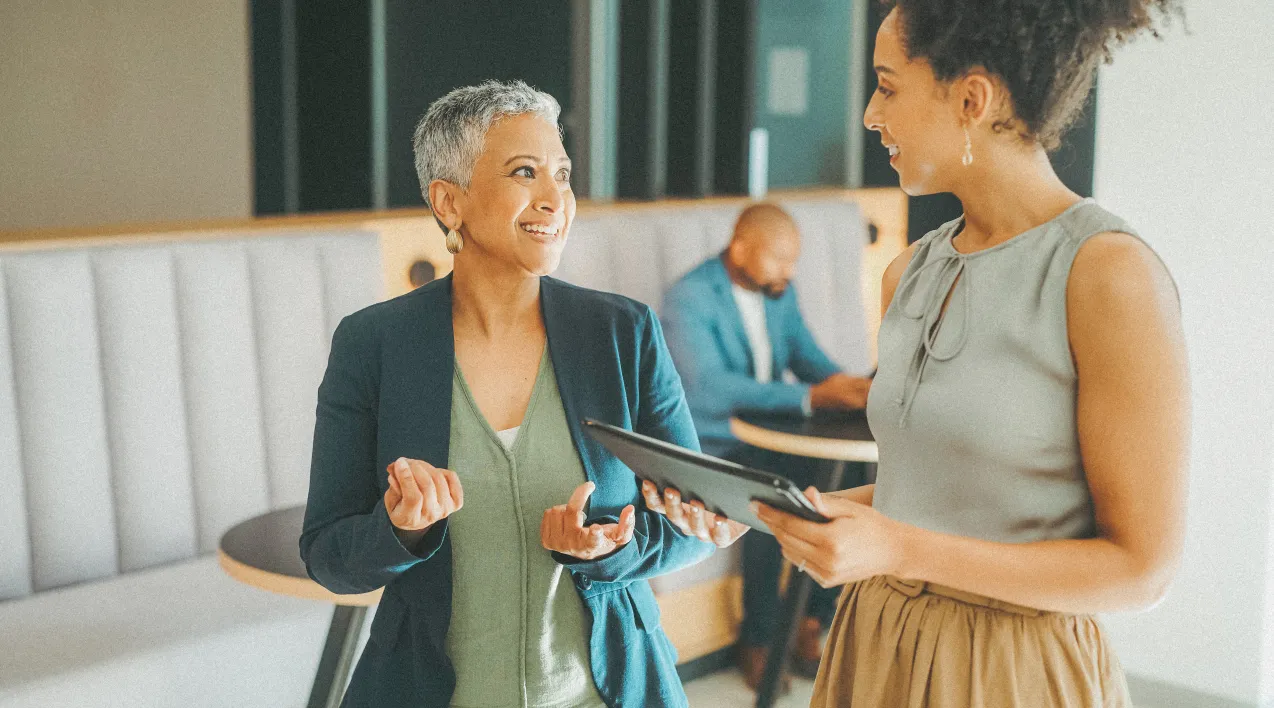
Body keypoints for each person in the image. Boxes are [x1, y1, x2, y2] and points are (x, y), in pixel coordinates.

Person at [748, 1, 1190, 705]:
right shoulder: (909, 272)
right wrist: (790, 512)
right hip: (875, 640)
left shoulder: (1108, 274)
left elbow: (1141, 569)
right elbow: (927, 493)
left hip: (1013, 668)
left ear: (971, 98)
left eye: (887, 85)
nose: (869, 114)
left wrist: (897, 548)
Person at [300, 80, 715, 708]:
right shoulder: (372, 344)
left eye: (564, 175)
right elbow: (329, 554)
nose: (556, 199)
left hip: (610, 692)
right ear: (449, 202)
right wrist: (399, 530)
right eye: (526, 172)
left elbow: (695, 515)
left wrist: (612, 547)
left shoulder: (624, 334)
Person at [660, 202, 871, 688]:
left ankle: (811, 619)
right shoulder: (690, 297)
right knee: (765, 492)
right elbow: (706, 389)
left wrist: (850, 387)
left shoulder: (779, 292)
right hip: (715, 440)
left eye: (794, 260)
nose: (789, 271)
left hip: (773, 434)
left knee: (853, 476)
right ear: (740, 248)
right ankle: (756, 639)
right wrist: (810, 396)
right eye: (779, 258)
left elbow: (806, 355)